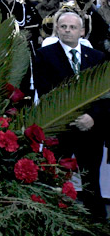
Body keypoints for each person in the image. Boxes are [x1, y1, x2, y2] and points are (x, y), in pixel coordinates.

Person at [32, 12, 108, 217]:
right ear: (57, 29)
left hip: (90, 129)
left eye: (72, 27)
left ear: (82, 31)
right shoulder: (44, 55)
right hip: (60, 128)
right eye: (63, 26)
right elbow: (45, 91)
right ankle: (51, 218)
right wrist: (70, 116)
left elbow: (104, 94)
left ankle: (96, 222)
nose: (67, 30)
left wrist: (92, 117)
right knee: (53, 176)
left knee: (91, 178)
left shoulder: (97, 57)